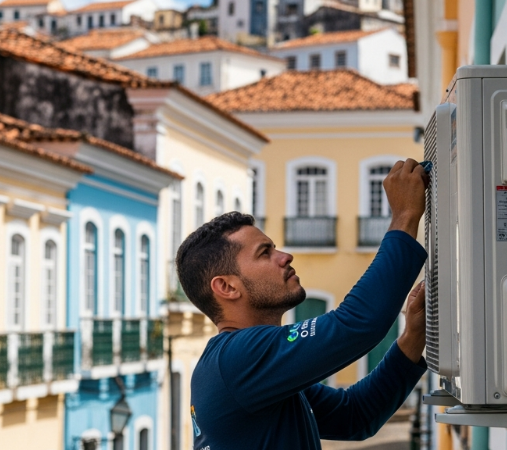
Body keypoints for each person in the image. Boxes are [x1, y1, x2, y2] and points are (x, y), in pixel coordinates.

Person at [177, 158, 429, 449]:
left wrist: (413, 337)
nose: (285, 256)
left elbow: (355, 415)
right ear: (227, 287)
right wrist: (404, 216)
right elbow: (356, 323)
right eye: (265, 253)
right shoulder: (239, 358)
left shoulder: (250, 369)